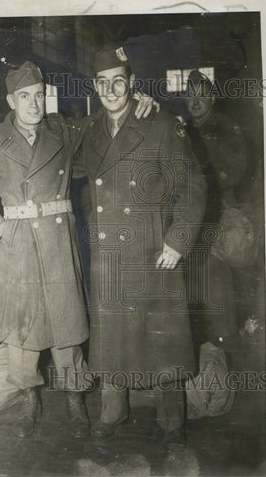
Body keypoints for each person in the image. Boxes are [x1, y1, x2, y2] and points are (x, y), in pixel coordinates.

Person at [0, 60, 153, 439]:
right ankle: (29, 397)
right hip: (17, 248)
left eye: (39, 95)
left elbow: (105, 120)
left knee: (67, 325)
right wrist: (0, 226)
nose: (34, 104)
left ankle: (75, 398)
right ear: (11, 100)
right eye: (25, 97)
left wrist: (142, 101)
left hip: (59, 242)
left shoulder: (61, 130)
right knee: (22, 329)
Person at [74, 48, 206, 442]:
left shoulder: (161, 123)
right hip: (109, 253)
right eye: (103, 82)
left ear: (132, 83)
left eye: (119, 80)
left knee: (161, 338)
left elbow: (193, 186)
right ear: (95, 87)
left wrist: (177, 241)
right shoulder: (89, 129)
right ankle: (112, 412)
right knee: (111, 334)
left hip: (153, 250)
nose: (111, 89)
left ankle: (171, 422)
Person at [183, 69, 246, 355]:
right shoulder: (180, 129)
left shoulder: (226, 127)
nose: (196, 101)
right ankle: (204, 356)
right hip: (190, 219)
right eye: (190, 95)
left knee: (217, 287)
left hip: (218, 218)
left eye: (202, 95)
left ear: (212, 97)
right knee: (192, 288)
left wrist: (203, 183)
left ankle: (228, 351)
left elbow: (235, 171)